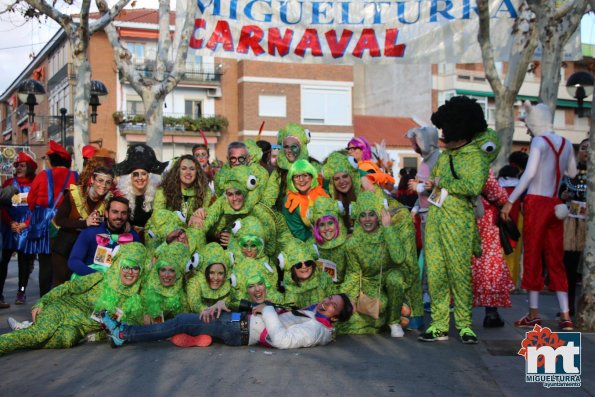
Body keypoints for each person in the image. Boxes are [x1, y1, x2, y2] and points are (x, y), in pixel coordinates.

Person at [419, 96, 490, 344]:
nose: (444, 132)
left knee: (459, 275)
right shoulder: (445, 156)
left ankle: (464, 325)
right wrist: (431, 187)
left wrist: (440, 183)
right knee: (436, 274)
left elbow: (473, 186)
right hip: (436, 219)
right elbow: (438, 187)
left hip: (458, 223)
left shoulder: (476, 156)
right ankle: (439, 325)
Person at [501, 101, 577, 331]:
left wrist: (510, 201)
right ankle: (566, 316)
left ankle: (534, 313)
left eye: (528, 125)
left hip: (536, 202)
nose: (527, 130)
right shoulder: (566, 143)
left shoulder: (538, 141)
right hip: (556, 204)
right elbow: (572, 172)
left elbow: (529, 175)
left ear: (535, 123)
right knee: (555, 258)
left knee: (533, 256)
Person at [0, 243, 147, 355]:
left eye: (135, 268)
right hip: (61, 309)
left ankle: (27, 329)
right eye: (126, 266)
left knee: (68, 338)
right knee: (39, 335)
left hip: (77, 328)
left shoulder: (134, 301)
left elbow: (119, 328)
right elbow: (68, 287)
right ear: (118, 266)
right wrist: (42, 302)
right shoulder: (99, 278)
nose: (130, 272)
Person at [100, 293, 353, 349]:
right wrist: (224, 304)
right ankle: (201, 338)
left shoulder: (317, 329)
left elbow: (284, 341)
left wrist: (266, 310)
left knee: (182, 321)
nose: (325, 302)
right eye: (328, 298)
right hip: (239, 322)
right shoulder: (315, 317)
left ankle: (123, 335)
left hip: (240, 329)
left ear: (335, 317)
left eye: (332, 305)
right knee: (191, 319)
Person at [342, 191, 412, 337]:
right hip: (371, 283)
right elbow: (353, 273)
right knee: (379, 307)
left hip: (390, 274)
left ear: (379, 216)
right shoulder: (352, 244)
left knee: (395, 279)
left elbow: (399, 258)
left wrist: (388, 228)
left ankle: (394, 321)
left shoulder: (388, 232)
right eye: (363, 215)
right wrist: (349, 298)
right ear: (358, 218)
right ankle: (394, 311)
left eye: (371, 214)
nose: (367, 219)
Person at [470, 130, 514, 327]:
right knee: (489, 267)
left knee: (465, 266)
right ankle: (491, 313)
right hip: (485, 224)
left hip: (464, 221)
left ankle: (461, 312)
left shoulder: (462, 165)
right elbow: (498, 195)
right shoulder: (483, 170)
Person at [26, 140, 78, 296]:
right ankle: (64, 299)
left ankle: (44, 299)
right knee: (65, 262)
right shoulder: (75, 176)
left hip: (44, 223)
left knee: (45, 264)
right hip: (67, 224)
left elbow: (31, 200)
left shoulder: (43, 175)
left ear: (52, 160)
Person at [52, 166, 114, 286]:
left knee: (82, 283)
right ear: (92, 180)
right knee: (61, 283)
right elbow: (59, 220)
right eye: (100, 180)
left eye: (108, 182)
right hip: (66, 245)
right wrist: (84, 223)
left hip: (91, 249)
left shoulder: (110, 200)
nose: (103, 185)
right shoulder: (74, 194)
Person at [68, 196, 141, 277]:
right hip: (92, 279)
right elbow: (73, 261)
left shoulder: (133, 237)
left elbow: (139, 264)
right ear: (106, 213)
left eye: (123, 213)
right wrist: (99, 276)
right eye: (115, 212)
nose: (119, 216)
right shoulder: (90, 232)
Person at [0, 152, 37, 306]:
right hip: (9, 228)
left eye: (22, 165)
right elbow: (1, 205)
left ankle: (21, 292)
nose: (19, 168)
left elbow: (37, 208)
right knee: (3, 262)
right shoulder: (9, 182)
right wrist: (11, 223)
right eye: (17, 165)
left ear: (29, 167)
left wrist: (26, 224)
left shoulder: (35, 184)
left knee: (24, 264)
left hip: (25, 229)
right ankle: (0, 294)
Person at [559, 138, 589, 318]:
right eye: (584, 148)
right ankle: (567, 309)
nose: (586, 151)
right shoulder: (569, 174)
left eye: (590, 148)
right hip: (571, 225)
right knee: (568, 268)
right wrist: (563, 196)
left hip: (589, 226)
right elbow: (559, 196)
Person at [113, 143, 166, 234]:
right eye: (135, 174)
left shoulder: (157, 196)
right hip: (126, 237)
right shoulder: (121, 196)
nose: (140, 178)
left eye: (144, 174)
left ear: (149, 177)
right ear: (129, 178)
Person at [153, 154, 211, 226]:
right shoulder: (163, 189)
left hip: (192, 229)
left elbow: (208, 214)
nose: (188, 172)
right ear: (177, 171)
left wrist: (200, 215)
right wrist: (179, 218)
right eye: (184, 168)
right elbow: (157, 215)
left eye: (192, 169)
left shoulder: (205, 191)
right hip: (167, 228)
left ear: (197, 172)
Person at [141, 242, 189, 324]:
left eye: (172, 270)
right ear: (158, 271)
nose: (166, 275)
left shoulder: (183, 290)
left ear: (178, 274)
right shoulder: (148, 287)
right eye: (163, 270)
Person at [282, 159, 329, 241]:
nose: (301, 180)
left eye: (305, 175)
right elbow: (298, 232)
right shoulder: (289, 201)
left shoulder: (323, 193)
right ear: (292, 180)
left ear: (312, 176)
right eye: (296, 176)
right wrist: (319, 239)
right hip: (311, 242)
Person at [281, 238, 334, 310]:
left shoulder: (324, 278)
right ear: (291, 268)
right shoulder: (290, 289)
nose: (304, 266)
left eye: (308, 262)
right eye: (298, 264)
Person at [308, 196, 349, 284]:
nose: (327, 228)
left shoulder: (348, 243)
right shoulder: (311, 246)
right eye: (322, 225)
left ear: (337, 223)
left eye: (330, 223)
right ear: (317, 228)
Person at [321, 151, 362, 233]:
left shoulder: (363, 197)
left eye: (345, 176)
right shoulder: (330, 203)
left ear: (352, 177)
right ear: (333, 183)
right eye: (336, 179)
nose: (342, 181)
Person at [186, 242, 233, 313]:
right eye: (211, 273)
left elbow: (233, 301)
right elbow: (195, 304)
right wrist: (210, 310)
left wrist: (224, 303)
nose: (216, 278)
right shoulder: (195, 282)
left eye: (220, 273)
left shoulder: (228, 281)